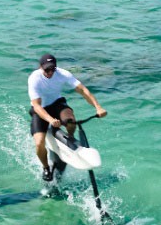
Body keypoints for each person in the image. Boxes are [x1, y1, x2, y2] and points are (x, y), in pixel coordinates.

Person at [28, 53, 106, 182]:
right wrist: (50, 120)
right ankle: (46, 167)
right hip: (40, 109)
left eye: (52, 69)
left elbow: (82, 90)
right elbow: (36, 106)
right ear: (40, 67)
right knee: (39, 143)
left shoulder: (62, 74)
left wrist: (98, 107)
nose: (50, 72)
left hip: (57, 104)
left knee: (71, 121)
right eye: (47, 69)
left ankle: (70, 139)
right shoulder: (34, 78)